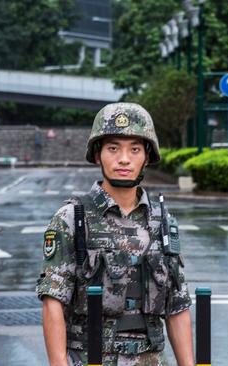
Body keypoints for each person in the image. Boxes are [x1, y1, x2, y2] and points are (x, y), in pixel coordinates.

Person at [36, 103, 194, 366]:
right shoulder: (72, 218)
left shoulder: (162, 221)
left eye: (134, 149)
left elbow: (177, 306)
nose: (124, 158)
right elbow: (54, 302)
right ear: (98, 155)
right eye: (113, 148)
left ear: (147, 156)